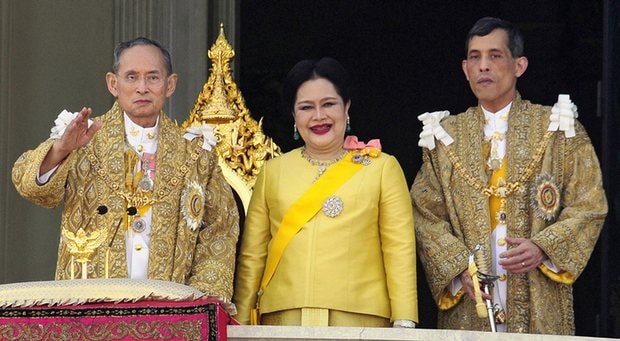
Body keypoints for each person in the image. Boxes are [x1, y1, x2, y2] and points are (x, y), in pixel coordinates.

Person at [410, 17, 607, 334]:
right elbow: (424, 212)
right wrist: (461, 269)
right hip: (471, 302)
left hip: (540, 298)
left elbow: (590, 204)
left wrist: (544, 246)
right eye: (475, 57)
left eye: (495, 55)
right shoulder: (444, 136)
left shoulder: (558, 128)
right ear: (465, 68)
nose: (483, 66)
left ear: (520, 65)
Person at [12, 37, 239, 301]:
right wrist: (61, 150)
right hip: (90, 307)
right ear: (113, 83)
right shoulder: (82, 138)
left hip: (169, 310)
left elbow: (219, 232)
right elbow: (29, 186)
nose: (142, 88)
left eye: (153, 78)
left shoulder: (197, 155)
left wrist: (199, 301)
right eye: (131, 77)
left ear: (170, 85)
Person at [233, 57, 418, 327]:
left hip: (361, 319)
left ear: (347, 107)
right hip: (284, 319)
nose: (319, 116)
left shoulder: (382, 168)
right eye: (306, 107)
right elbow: (253, 256)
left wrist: (404, 318)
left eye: (329, 104)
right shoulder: (273, 172)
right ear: (294, 116)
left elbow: (399, 249)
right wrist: (240, 321)